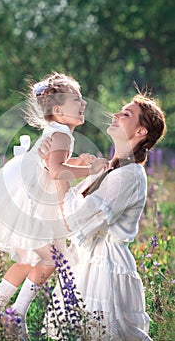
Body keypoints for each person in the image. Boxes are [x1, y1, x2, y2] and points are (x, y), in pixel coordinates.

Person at [0, 72, 107, 335]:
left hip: (30, 197)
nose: (84, 105)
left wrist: (80, 164)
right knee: (52, 260)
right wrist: (91, 170)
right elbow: (57, 172)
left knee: (28, 259)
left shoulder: (56, 131)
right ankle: (17, 315)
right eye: (77, 100)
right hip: (35, 202)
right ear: (58, 109)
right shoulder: (62, 135)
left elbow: (52, 167)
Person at [40, 90, 166, 340]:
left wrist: (60, 174)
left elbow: (73, 219)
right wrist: (51, 163)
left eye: (127, 114)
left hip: (105, 270)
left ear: (141, 132)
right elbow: (67, 205)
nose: (117, 114)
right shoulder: (110, 169)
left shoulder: (128, 175)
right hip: (87, 262)